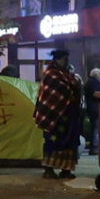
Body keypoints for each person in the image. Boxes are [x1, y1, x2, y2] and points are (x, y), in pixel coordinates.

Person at [34, 50, 82, 179]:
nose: (66, 62)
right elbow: (59, 90)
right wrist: (73, 85)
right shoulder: (51, 74)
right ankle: (49, 169)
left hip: (69, 116)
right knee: (53, 142)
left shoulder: (65, 74)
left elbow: (73, 87)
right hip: (54, 116)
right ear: (57, 60)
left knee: (69, 143)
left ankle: (66, 169)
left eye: (67, 59)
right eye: (64, 59)